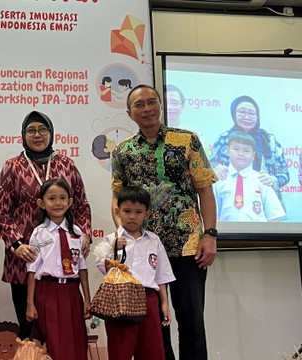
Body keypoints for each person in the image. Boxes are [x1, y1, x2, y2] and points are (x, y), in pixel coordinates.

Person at [111, 85, 217, 360]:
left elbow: (205, 189)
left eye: (151, 102)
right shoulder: (122, 151)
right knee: (155, 326)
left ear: (160, 105)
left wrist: (210, 235)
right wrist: (122, 236)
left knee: (192, 321)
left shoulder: (187, 140)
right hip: (144, 250)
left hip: (188, 246)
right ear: (129, 113)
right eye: (139, 105)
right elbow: (116, 198)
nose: (147, 109)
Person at [0, 110, 92, 339]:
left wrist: (85, 234)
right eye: (31, 130)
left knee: (64, 327)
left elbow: (82, 205)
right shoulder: (13, 166)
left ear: (51, 133)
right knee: (30, 326)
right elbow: (0, 209)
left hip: (63, 259)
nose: (37, 135)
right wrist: (16, 244)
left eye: (42, 129)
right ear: (23, 135)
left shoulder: (66, 164)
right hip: (24, 258)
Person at [96, 186, 175, 360]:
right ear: (117, 212)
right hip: (120, 299)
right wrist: (112, 248)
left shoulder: (154, 240)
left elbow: (161, 276)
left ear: (146, 214)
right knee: (120, 350)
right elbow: (101, 264)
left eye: (138, 212)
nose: (132, 216)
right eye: (127, 211)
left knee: (151, 349)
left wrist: (164, 304)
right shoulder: (112, 239)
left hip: (149, 299)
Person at [25, 179, 91, 360]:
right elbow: (31, 270)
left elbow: (82, 268)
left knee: (76, 338)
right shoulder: (39, 233)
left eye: (63, 198)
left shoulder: (77, 232)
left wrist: (87, 299)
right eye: (52, 198)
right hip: (47, 292)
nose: (58, 203)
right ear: (41, 203)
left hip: (71, 291)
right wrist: (30, 304)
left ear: (70, 202)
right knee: (53, 340)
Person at [209, 95, 289, 200]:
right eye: (242, 112)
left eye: (252, 113)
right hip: (229, 201)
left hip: (265, 202)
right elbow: (209, 171)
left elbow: (284, 175)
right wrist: (215, 170)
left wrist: (272, 180)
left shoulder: (269, 140)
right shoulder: (224, 139)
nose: (247, 117)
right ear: (234, 114)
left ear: (257, 116)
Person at [213, 132, 285, 222]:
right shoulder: (220, 179)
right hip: (226, 234)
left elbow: (273, 216)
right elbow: (214, 216)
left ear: (253, 155)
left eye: (246, 150)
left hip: (259, 235)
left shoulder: (262, 179)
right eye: (236, 149)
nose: (241, 154)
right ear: (227, 151)